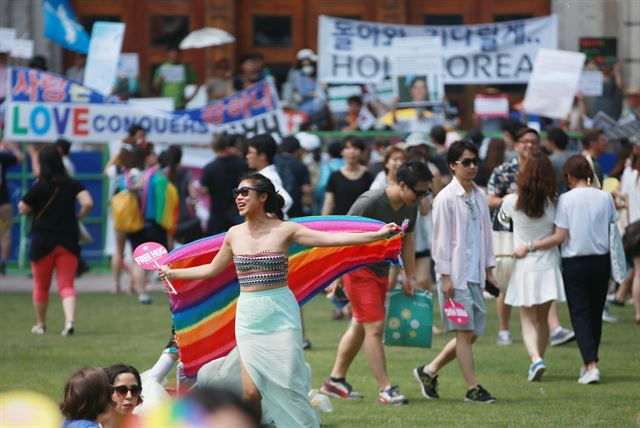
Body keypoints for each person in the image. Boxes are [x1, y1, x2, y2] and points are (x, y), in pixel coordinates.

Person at [160, 173, 401, 427]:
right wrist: (174, 273)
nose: (239, 198)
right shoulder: (234, 234)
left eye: (245, 193)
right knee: (250, 392)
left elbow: (332, 240)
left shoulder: (286, 229)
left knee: (289, 382)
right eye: (236, 193)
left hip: (280, 313)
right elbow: (211, 269)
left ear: (263, 197)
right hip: (249, 317)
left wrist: (377, 235)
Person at [321, 161, 433, 405]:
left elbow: (408, 242)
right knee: (374, 328)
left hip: (380, 271)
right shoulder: (370, 201)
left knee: (360, 325)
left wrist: (410, 276)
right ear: (402, 185)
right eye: (420, 192)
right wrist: (337, 274)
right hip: (358, 270)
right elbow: (342, 235)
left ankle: (334, 381)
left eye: (426, 192)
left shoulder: (409, 206)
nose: (422, 198)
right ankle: (385, 388)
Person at [513, 155, 617, 384]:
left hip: (575, 263)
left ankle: (591, 365)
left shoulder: (567, 200)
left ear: (569, 176)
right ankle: (589, 362)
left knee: (580, 314)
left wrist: (529, 246)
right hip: (601, 261)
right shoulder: (605, 197)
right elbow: (611, 226)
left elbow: (560, 236)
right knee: (595, 315)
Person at [413, 140, 497, 403]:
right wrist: (445, 277)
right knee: (464, 332)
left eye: (475, 162)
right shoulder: (445, 199)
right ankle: (473, 388)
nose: (472, 167)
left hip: (474, 274)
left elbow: (486, 236)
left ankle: (429, 370)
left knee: (471, 333)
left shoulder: (480, 195)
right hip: (455, 276)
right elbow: (440, 241)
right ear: (452, 166)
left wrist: (489, 270)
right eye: (466, 162)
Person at [498, 153, 566, 381]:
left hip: (523, 265)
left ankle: (536, 359)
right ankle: (538, 360)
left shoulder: (511, 201)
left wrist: (526, 244)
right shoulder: (555, 203)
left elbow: (502, 221)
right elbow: (559, 237)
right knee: (543, 319)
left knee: (527, 320)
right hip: (548, 263)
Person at [18, 145, 93, 335]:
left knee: (41, 285)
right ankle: (69, 322)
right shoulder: (73, 184)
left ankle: (41, 325)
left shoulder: (39, 186)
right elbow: (88, 202)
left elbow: (22, 208)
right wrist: (79, 216)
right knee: (66, 285)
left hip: (42, 242)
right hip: (68, 241)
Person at [104, 125, 146, 294]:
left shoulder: (117, 169)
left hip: (119, 214)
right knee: (135, 251)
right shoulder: (138, 172)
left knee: (118, 251)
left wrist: (117, 155)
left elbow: (106, 169)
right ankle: (131, 285)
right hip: (135, 213)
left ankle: (115, 285)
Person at [201, 134, 247, 235]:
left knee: (213, 245)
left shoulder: (209, 168)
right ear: (227, 145)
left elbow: (204, 190)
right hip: (236, 212)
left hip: (217, 214)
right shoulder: (240, 163)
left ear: (213, 148)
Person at [322, 137, 373, 216]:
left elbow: (372, 202)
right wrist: (323, 222)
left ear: (362, 152)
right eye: (348, 148)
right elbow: (329, 203)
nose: (352, 151)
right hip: (339, 221)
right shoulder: (335, 176)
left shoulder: (368, 176)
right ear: (342, 152)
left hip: (361, 221)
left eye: (356, 148)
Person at [162, 145, 201, 246]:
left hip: (167, 217)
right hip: (184, 217)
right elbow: (193, 196)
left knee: (170, 250)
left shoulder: (163, 175)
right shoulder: (186, 174)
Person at [245, 134, 293, 216]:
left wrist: (268, 219)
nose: (247, 156)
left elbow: (287, 201)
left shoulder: (266, 176)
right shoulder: (265, 174)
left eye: (250, 152)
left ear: (262, 156)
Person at [0, 139, 25, 275]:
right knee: (5, 235)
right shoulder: (2, 157)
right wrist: (11, 147)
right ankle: (3, 263)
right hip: (3, 203)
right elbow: (21, 158)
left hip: (3, 205)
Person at [275, 136, 311, 218]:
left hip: (273, 207)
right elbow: (306, 189)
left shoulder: (272, 162)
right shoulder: (300, 165)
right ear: (297, 150)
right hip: (294, 209)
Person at [544, 128, 572, 194]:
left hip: (556, 195)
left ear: (552, 143)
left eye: (547, 141)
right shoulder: (574, 156)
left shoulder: (549, 160)